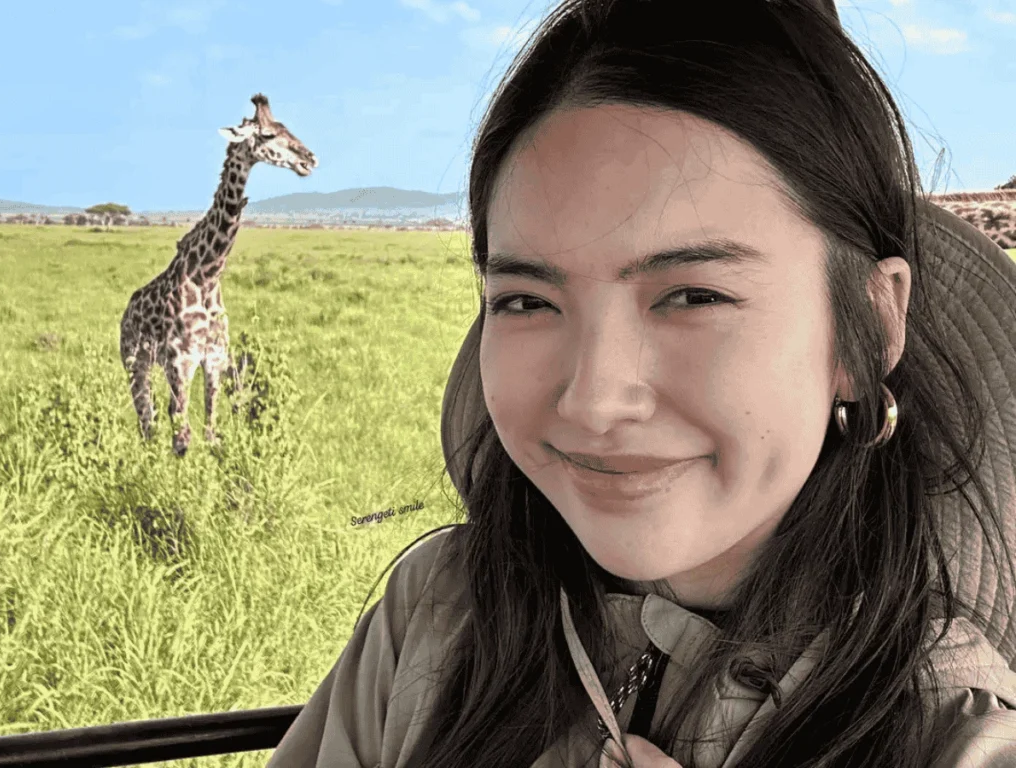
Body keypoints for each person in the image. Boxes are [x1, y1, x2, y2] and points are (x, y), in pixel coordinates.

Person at [266, 0, 1016, 766]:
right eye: (528, 300)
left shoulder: (957, 740)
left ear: (872, 328)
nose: (593, 401)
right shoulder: (432, 616)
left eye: (693, 296)